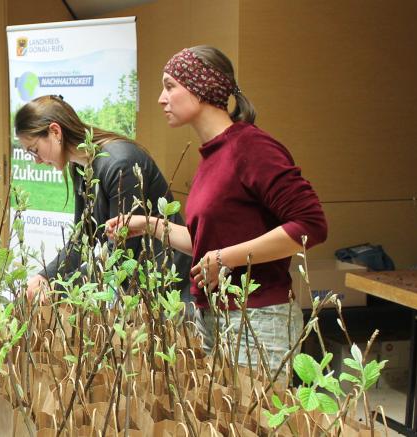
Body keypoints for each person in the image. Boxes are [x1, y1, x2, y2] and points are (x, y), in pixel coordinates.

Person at [105, 45, 327, 371]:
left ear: (201, 88)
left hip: (257, 321)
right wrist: (149, 225)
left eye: (170, 86)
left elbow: (311, 225)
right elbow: (207, 243)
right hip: (215, 316)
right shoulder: (213, 154)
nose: (160, 98)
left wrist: (226, 259)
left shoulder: (251, 147)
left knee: (254, 422)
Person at [17, 95, 192, 299]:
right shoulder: (80, 167)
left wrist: (60, 288)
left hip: (169, 285)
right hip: (136, 286)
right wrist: (46, 277)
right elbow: (83, 238)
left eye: (34, 150)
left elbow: (121, 252)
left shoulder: (120, 164)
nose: (37, 160)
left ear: (55, 131)